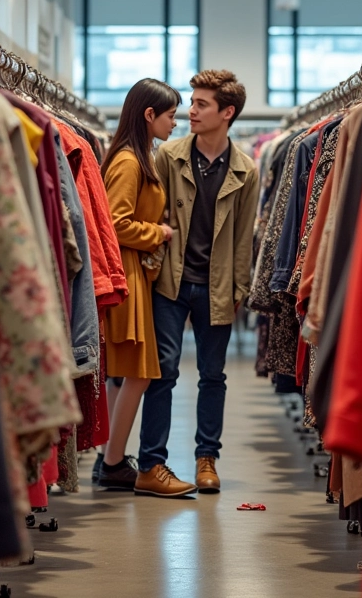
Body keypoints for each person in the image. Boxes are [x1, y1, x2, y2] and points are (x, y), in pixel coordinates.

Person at [136, 69, 259, 498]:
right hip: (170, 281)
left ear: (227, 113)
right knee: (163, 373)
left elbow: (244, 239)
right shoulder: (168, 156)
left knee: (213, 376)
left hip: (218, 285)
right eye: (191, 103)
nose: (190, 111)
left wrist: (239, 289)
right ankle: (152, 462)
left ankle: (207, 459)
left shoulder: (246, 170)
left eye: (201, 104)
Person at [97, 78, 181, 490]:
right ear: (149, 115)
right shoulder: (130, 161)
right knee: (140, 372)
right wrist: (159, 233)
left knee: (128, 371)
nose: (175, 124)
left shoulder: (135, 155)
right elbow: (115, 223)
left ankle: (110, 457)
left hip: (134, 272)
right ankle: (112, 463)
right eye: (171, 116)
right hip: (128, 271)